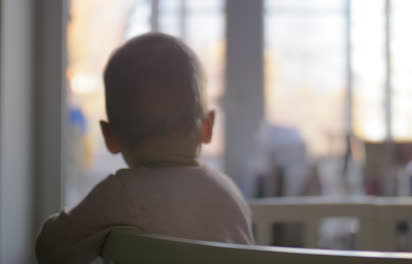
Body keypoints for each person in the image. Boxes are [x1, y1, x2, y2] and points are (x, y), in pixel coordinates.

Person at [36, 33, 254, 264]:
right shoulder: (229, 192)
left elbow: (50, 249)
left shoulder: (122, 194)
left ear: (111, 137)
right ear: (207, 128)